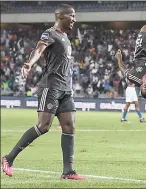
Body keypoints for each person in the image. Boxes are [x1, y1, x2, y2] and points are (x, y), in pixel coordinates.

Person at [1, 4, 86, 180]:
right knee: (43, 126)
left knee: (69, 126)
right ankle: (8, 158)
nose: (74, 20)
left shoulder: (65, 37)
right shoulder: (51, 33)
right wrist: (29, 63)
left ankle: (68, 171)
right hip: (51, 86)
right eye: (72, 16)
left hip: (65, 89)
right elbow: (39, 48)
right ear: (61, 16)